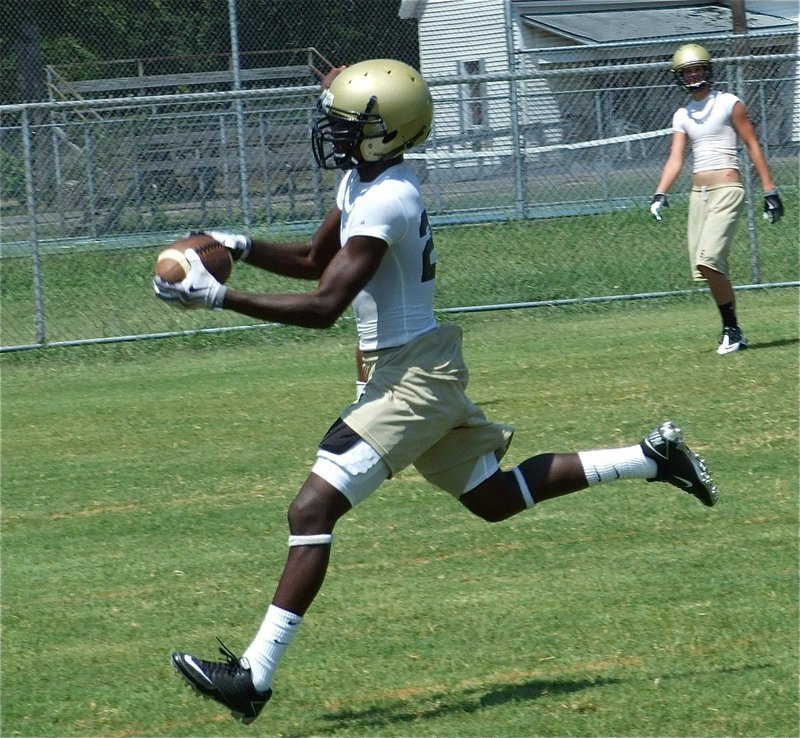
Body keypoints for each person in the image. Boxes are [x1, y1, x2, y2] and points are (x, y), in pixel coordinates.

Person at [154, 58, 718, 725]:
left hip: (412, 376)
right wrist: (240, 244)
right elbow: (313, 260)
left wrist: (219, 297)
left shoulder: (388, 197)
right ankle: (650, 459)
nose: (333, 131)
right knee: (493, 498)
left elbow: (325, 305)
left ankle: (253, 675)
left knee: (311, 510)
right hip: (411, 367)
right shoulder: (362, 181)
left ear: (386, 132)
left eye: (346, 122)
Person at [649, 43, 784, 355]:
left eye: (698, 69)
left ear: (708, 71)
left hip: (727, 189)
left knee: (707, 260)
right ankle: (733, 330)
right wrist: (660, 193)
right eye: (687, 72)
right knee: (707, 268)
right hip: (699, 195)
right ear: (679, 77)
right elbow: (676, 159)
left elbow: (752, 144)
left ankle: (731, 330)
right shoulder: (682, 114)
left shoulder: (728, 103)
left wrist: (770, 190)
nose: (693, 75)